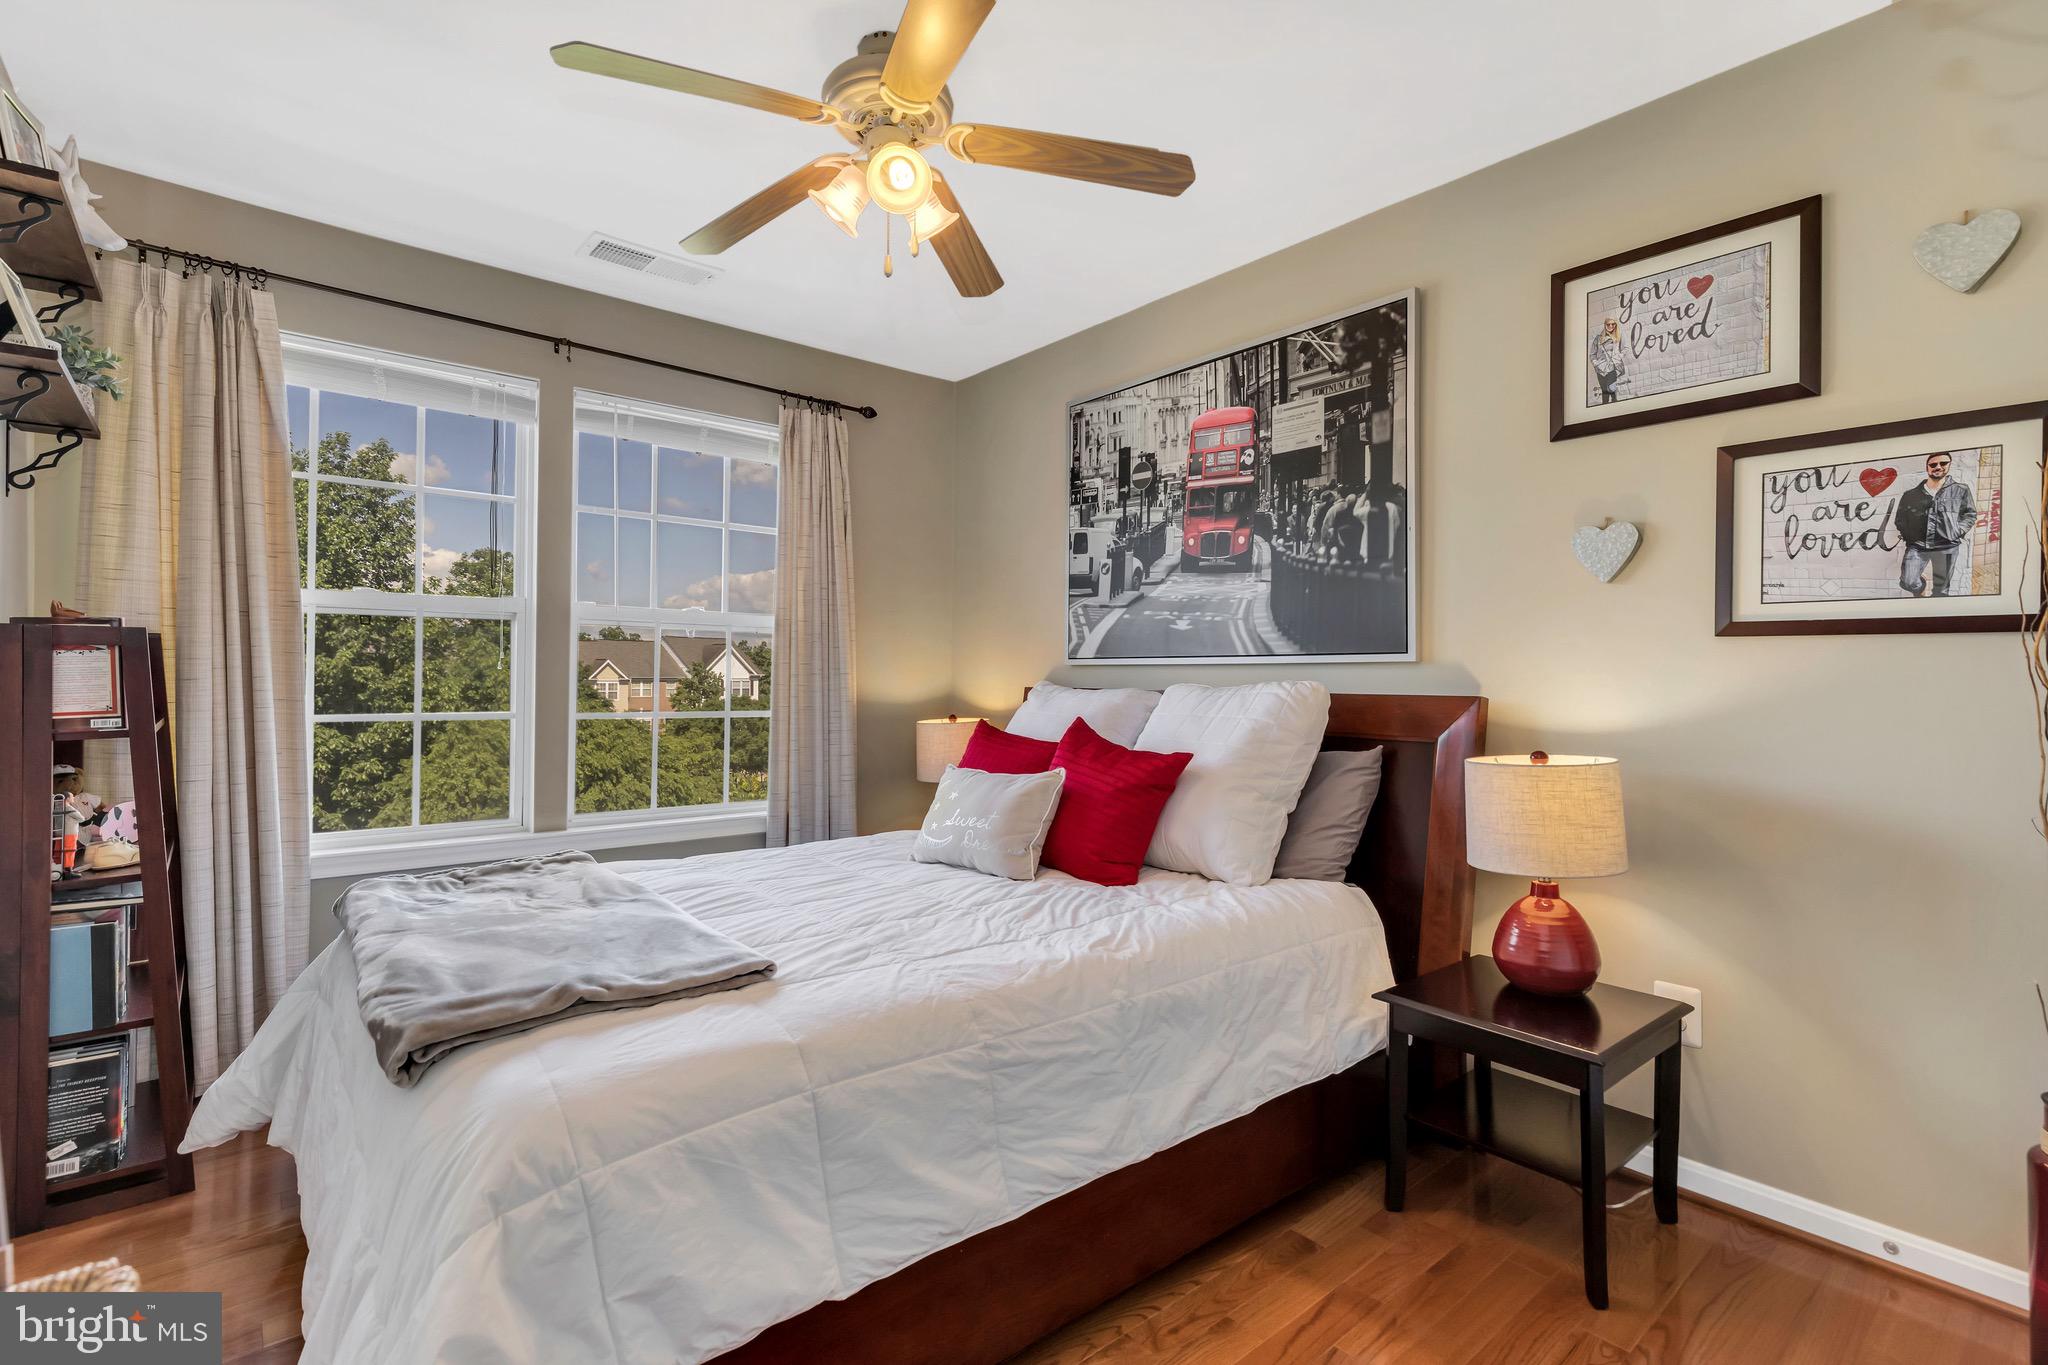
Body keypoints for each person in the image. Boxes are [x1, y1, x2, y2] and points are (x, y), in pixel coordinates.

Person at [1892, 451, 1977, 597]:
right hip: (1917, 546)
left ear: (1949, 465)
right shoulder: (1911, 494)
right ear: (1927, 467)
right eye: (1933, 464)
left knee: (1941, 590)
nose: (1938, 467)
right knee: (1908, 581)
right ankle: (1921, 586)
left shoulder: (1960, 490)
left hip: (1947, 546)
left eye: (1943, 463)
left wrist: (1956, 531)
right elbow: (1900, 519)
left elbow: (1970, 514)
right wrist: (1910, 536)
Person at [1589, 317, 1627, 406]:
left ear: (1615, 325)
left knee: (1612, 389)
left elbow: (1625, 348)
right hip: (1601, 368)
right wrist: (1596, 364)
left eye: (1613, 324)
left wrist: (1618, 357)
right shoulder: (1598, 338)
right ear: (1605, 325)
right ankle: (1604, 407)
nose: (1610, 326)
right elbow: (1592, 354)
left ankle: (1614, 406)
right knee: (1604, 391)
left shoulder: (1619, 335)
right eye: (1608, 324)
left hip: (1613, 366)